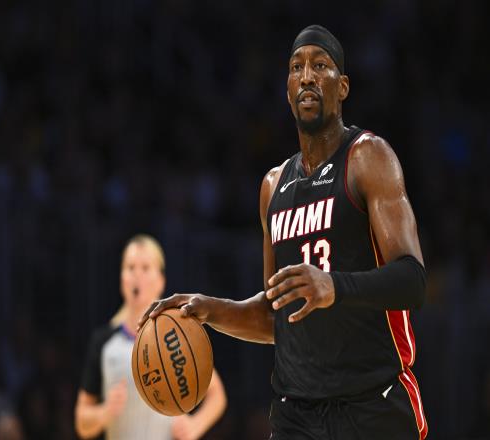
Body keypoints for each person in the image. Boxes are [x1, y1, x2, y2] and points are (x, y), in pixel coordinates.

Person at [140, 25, 428, 440]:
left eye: (320, 65)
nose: (307, 76)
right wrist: (209, 310)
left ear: (343, 87)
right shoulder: (273, 187)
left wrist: (333, 286)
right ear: (288, 91)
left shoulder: (368, 158)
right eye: (297, 67)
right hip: (298, 415)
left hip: (373, 403)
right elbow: (276, 317)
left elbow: (413, 282)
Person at [75, 234, 227, 440]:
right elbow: (82, 423)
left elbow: (218, 396)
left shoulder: (176, 332)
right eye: (130, 268)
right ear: (121, 279)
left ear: (161, 281)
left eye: (145, 268)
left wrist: (194, 426)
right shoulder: (104, 341)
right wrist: (104, 412)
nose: (137, 275)